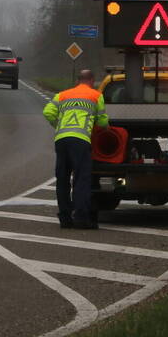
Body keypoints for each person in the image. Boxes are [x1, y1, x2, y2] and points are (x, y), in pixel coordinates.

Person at [42, 69, 109, 229]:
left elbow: (47, 112)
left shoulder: (63, 95)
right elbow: (101, 122)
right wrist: (106, 127)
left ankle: (65, 218)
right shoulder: (95, 96)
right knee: (81, 180)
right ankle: (81, 218)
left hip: (61, 140)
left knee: (63, 180)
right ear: (92, 81)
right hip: (80, 140)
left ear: (78, 80)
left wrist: (57, 125)